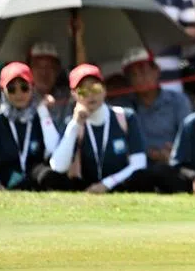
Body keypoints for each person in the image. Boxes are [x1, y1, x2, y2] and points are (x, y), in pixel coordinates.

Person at [42, 65, 152, 193]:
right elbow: (58, 167)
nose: (90, 95)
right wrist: (76, 124)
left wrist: (106, 184)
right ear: (74, 95)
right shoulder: (72, 123)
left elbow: (139, 164)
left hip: (120, 185)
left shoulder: (126, 117)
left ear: (104, 90)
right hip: (85, 188)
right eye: (83, 91)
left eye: (95, 88)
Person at [0, 63, 59, 190]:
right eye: (11, 89)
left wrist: (43, 111)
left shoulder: (40, 118)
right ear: (2, 91)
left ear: (32, 88)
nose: (19, 94)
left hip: (33, 178)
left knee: (49, 176)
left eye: (24, 88)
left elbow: (53, 150)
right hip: (2, 178)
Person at [119, 49, 191, 172]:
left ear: (156, 70)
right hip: (139, 169)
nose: (139, 78)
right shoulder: (124, 107)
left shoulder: (178, 100)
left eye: (143, 71)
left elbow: (188, 136)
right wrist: (151, 153)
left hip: (176, 164)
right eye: (133, 75)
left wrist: (175, 152)